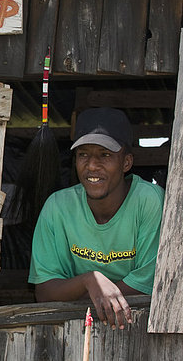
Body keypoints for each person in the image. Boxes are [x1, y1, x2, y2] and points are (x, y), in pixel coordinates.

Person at [28, 107, 164, 330]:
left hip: (141, 328)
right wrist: (89, 280)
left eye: (105, 155)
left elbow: (150, 284)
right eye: (83, 154)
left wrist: (84, 297)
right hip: (74, 331)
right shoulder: (58, 207)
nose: (91, 165)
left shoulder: (149, 202)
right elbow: (44, 291)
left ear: (126, 163)